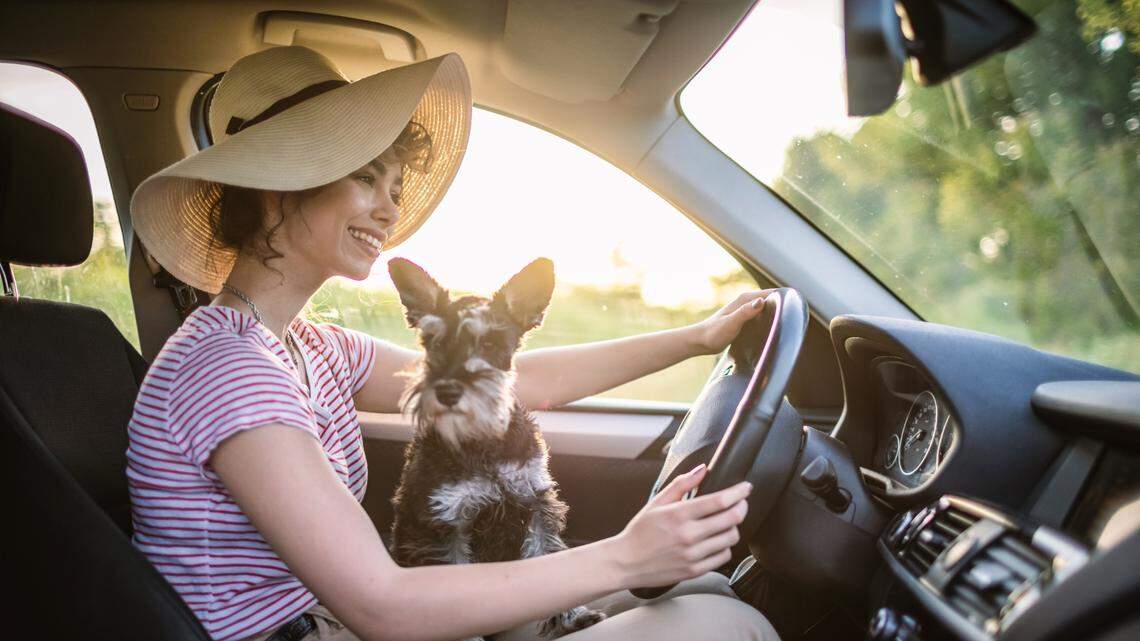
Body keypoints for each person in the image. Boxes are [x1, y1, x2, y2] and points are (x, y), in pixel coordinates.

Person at [126, 45, 780, 641]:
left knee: (704, 588)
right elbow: (381, 604)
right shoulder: (226, 367)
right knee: (727, 624)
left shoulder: (313, 347)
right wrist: (626, 556)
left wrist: (697, 338)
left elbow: (524, 380)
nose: (390, 209)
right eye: (366, 179)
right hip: (307, 631)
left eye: (394, 187)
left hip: (337, 620)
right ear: (279, 188)